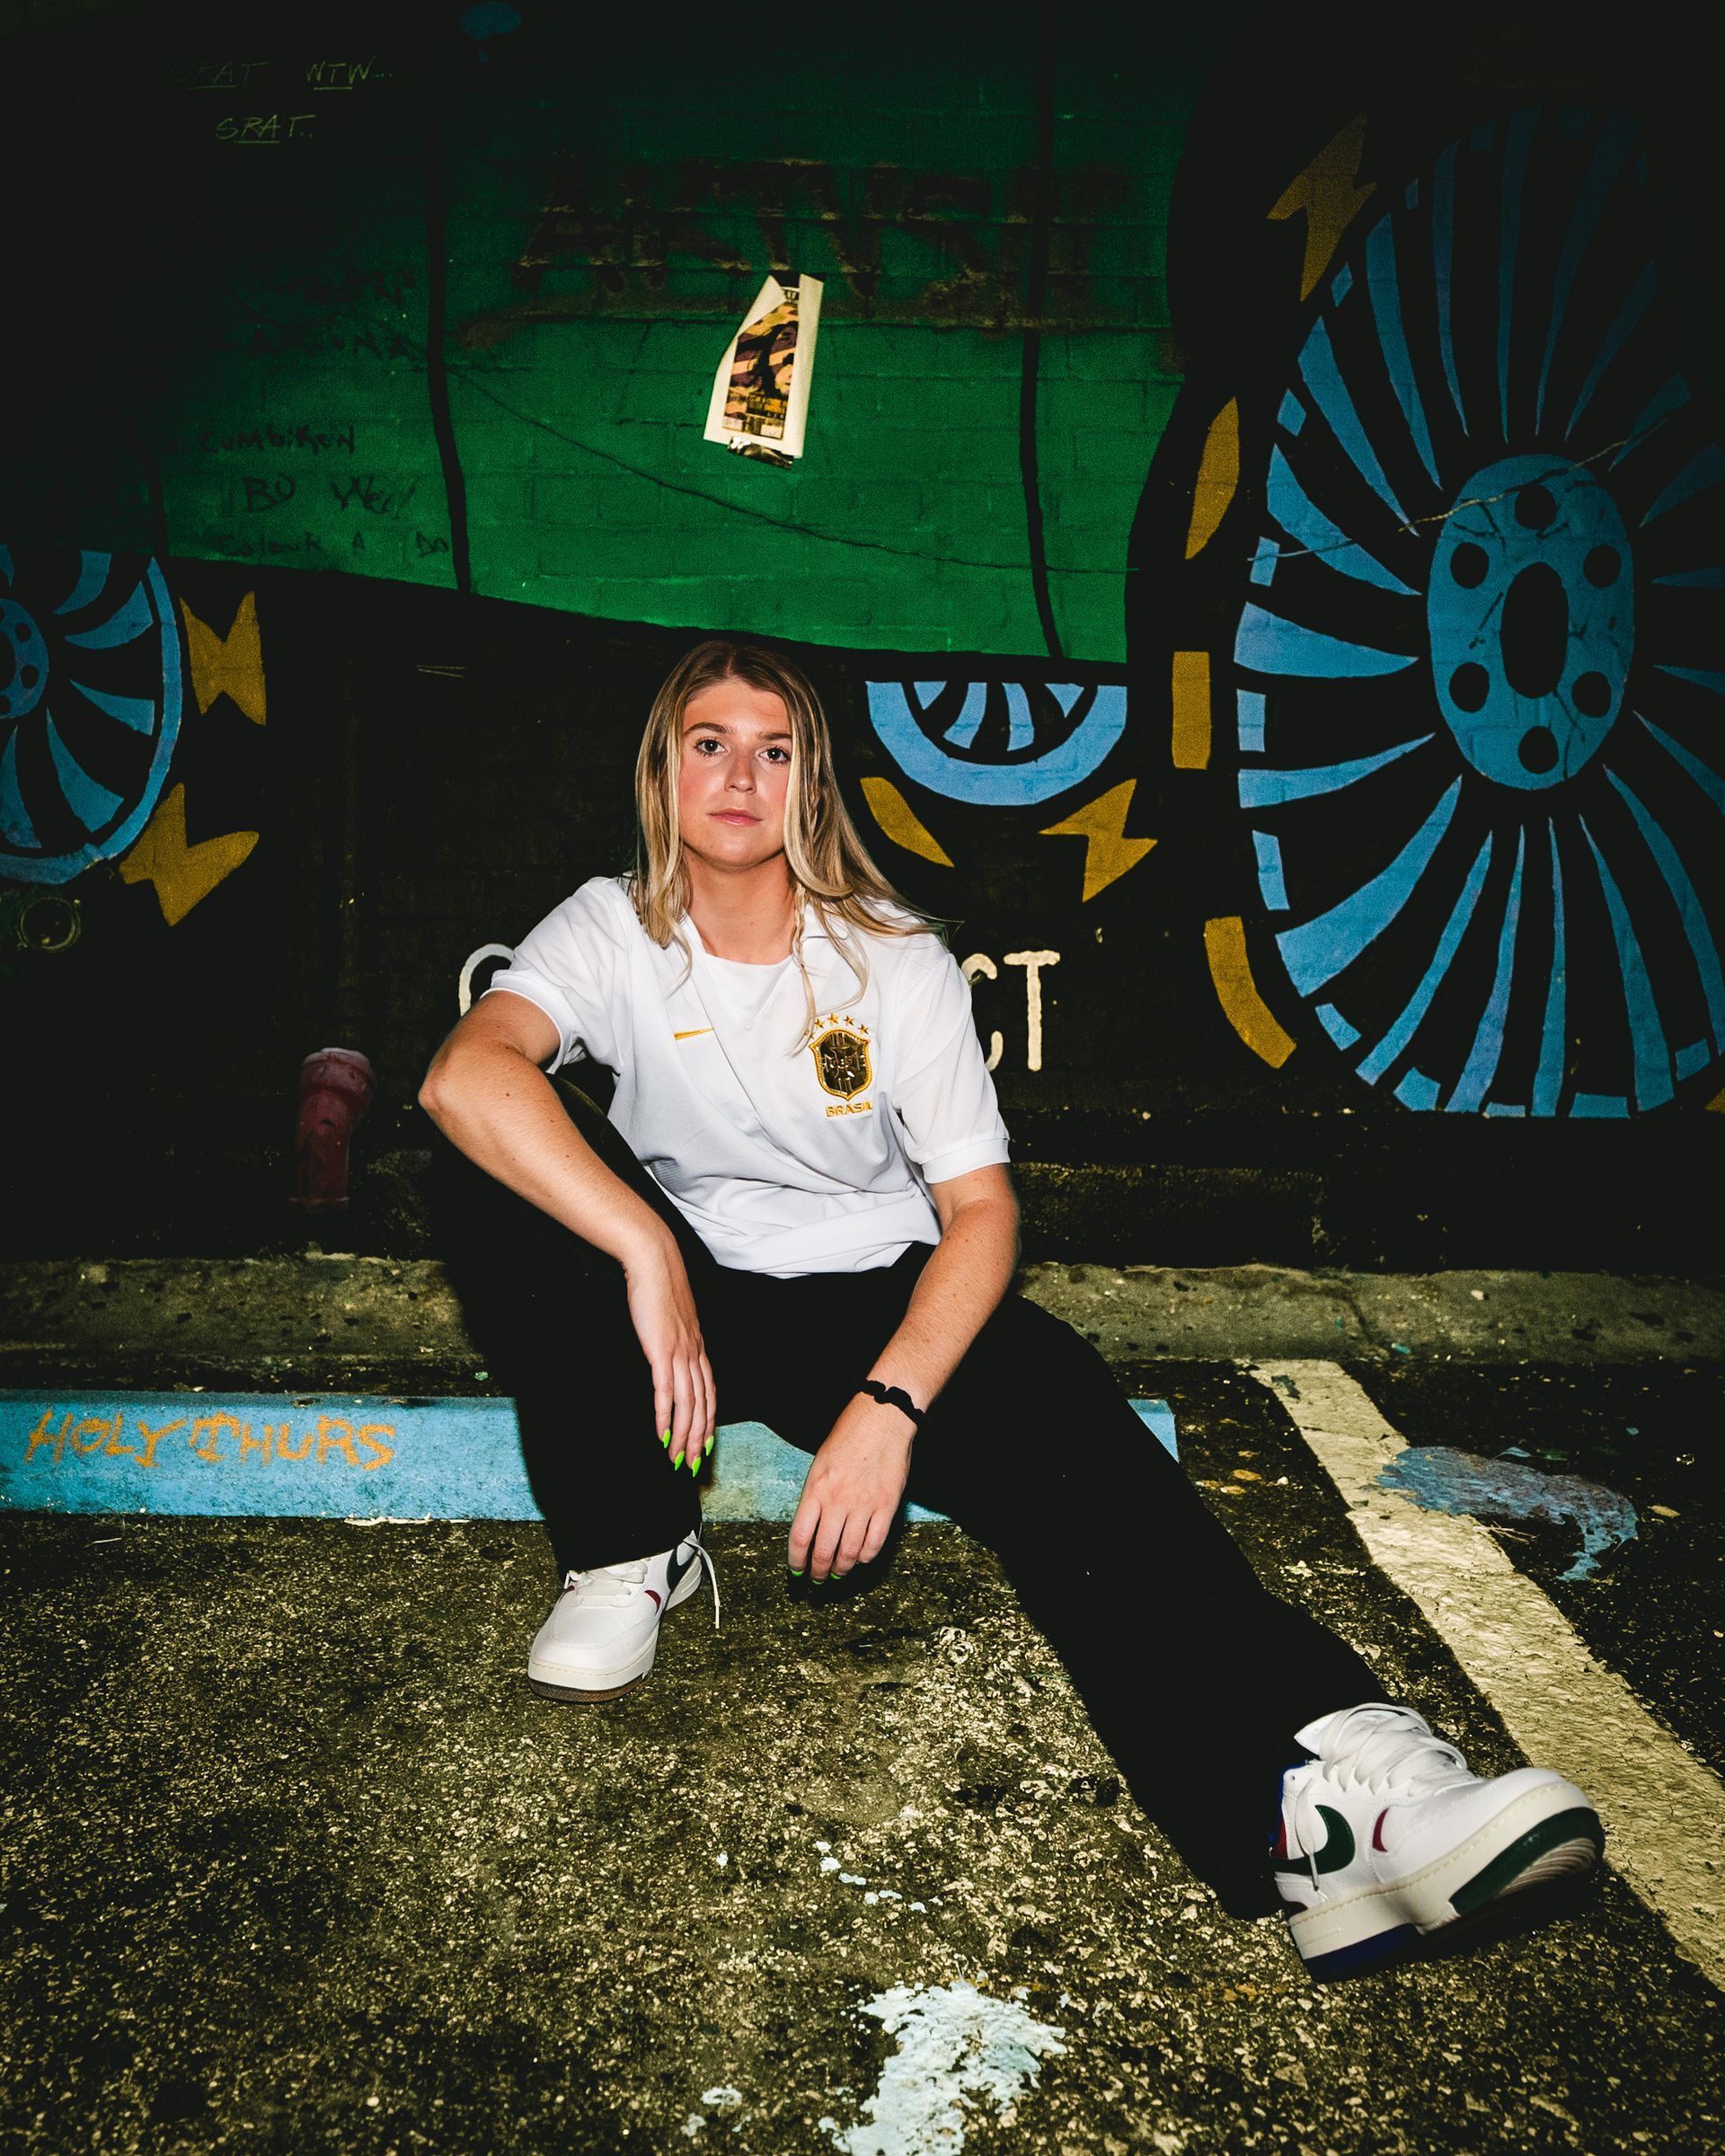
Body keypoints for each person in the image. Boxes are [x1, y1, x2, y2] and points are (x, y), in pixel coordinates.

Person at [419, 638, 1604, 1982]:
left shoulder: (890, 958)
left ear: (811, 783)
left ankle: (1331, 1798)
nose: (740, 774)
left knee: (1072, 1432)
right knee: (499, 1159)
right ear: (663, 771)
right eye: (710, 743)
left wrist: (889, 1404)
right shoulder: (611, 925)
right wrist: (647, 1251)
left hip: (869, 1292)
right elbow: (465, 1075)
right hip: (687, 1290)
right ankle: (631, 1546)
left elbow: (981, 1215)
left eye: (775, 749)